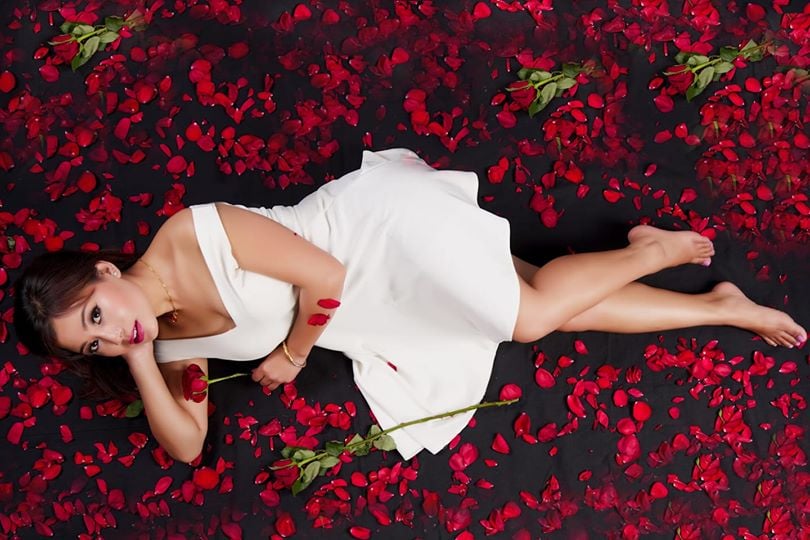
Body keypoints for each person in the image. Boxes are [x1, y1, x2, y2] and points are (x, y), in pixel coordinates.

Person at [13, 149, 806, 464]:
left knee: (530, 317)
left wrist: (291, 355)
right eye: (92, 345)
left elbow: (323, 272)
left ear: (104, 270)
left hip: (374, 233)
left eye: (95, 314)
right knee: (558, 309)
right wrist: (141, 360)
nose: (111, 334)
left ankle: (652, 250)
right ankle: (724, 308)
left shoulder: (190, 235)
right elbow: (187, 445)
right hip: (372, 309)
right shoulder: (165, 345)